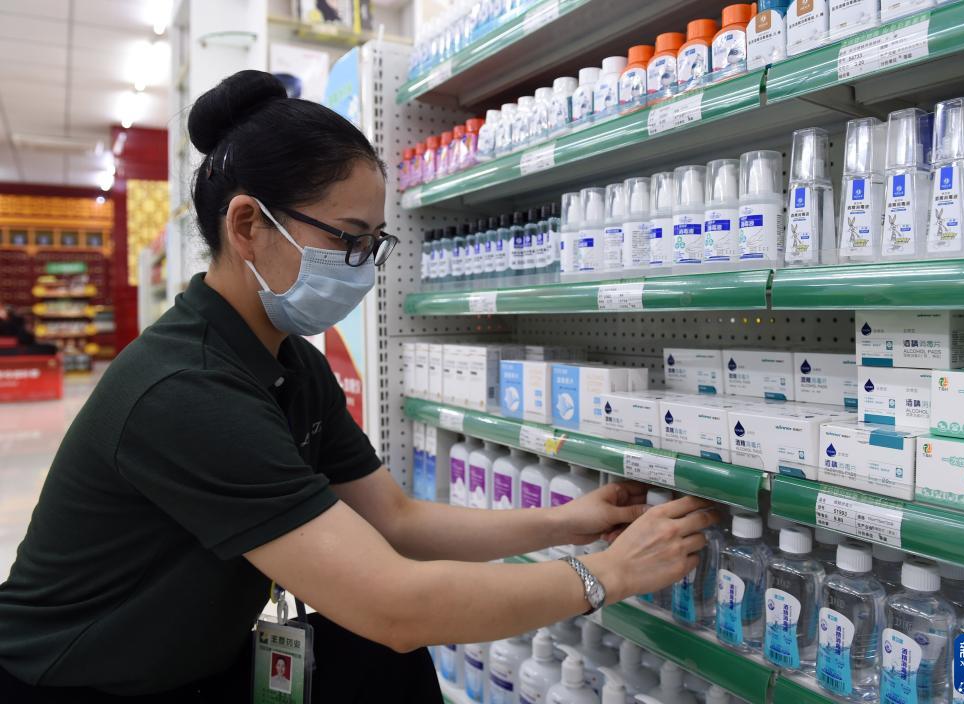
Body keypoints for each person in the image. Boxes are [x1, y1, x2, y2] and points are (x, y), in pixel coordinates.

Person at [0, 70, 716, 703]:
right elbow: (395, 606)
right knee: (380, 643)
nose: (364, 268)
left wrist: (566, 523)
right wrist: (607, 575)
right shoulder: (186, 389)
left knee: (375, 664)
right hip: (76, 682)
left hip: (186, 663)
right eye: (347, 239)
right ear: (248, 225)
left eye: (375, 244)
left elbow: (396, 521)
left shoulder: (288, 362)